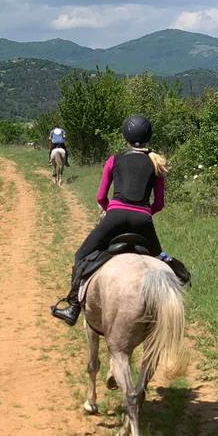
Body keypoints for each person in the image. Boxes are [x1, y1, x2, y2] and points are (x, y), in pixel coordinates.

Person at [51, 114, 185, 326]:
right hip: (143, 221)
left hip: (114, 217)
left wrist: (109, 210)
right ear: (148, 136)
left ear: (126, 136)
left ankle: (73, 308)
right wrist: (143, 212)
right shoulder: (157, 163)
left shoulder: (115, 159)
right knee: (160, 258)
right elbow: (159, 203)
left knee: (81, 255)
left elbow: (100, 196)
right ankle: (181, 280)